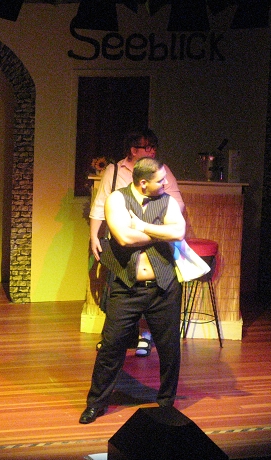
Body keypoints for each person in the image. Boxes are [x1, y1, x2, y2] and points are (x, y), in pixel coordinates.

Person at [80, 157, 186, 424]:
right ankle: (96, 403)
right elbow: (124, 238)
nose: (166, 183)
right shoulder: (117, 199)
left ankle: (166, 403)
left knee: (169, 348)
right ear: (143, 183)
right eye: (161, 180)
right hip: (127, 287)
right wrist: (161, 232)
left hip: (163, 287)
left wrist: (141, 226)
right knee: (111, 346)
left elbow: (179, 232)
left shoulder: (168, 201)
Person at [89, 129, 184, 356]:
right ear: (133, 150)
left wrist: (148, 224)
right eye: (147, 147)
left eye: (154, 146)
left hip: (154, 246)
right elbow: (100, 205)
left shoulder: (160, 171)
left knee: (155, 290)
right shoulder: (114, 171)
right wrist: (93, 236)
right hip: (123, 242)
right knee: (120, 288)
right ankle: (115, 339)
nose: (152, 151)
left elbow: (176, 204)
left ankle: (145, 335)